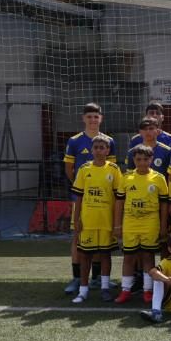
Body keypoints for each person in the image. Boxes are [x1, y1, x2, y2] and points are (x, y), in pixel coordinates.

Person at [114, 143, 168, 305]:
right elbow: (119, 203)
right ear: (133, 160)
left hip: (150, 222)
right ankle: (125, 290)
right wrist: (117, 225)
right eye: (139, 159)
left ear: (151, 159)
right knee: (128, 257)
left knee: (148, 256)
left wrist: (163, 225)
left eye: (145, 159)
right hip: (130, 222)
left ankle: (147, 291)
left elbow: (164, 205)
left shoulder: (159, 178)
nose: (142, 162)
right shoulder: (127, 177)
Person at [61, 102, 105, 295]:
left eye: (96, 117)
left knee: (98, 237)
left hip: (102, 200)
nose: (93, 120)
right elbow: (69, 169)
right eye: (89, 117)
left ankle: (95, 278)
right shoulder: (74, 141)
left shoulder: (108, 141)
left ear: (101, 118)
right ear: (83, 118)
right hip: (81, 199)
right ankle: (77, 277)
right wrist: (81, 188)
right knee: (78, 235)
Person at [70, 134, 119, 304]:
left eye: (102, 148)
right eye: (96, 147)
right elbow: (79, 198)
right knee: (85, 256)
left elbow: (118, 198)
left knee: (105, 255)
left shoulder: (113, 169)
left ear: (107, 150)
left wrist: (117, 222)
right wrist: (76, 220)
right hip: (88, 221)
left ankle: (105, 288)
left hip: (106, 221)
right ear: (91, 150)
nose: (99, 150)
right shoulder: (84, 169)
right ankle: (83, 291)